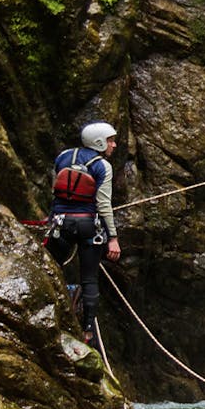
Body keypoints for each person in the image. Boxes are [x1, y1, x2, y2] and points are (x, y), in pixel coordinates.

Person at [47, 121, 122, 344]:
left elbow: (56, 190)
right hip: (89, 226)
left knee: (53, 267)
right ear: (99, 142)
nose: (114, 145)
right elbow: (103, 204)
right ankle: (88, 332)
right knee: (89, 279)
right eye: (110, 140)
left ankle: (55, 312)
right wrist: (113, 239)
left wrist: (52, 219)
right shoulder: (102, 166)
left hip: (61, 224)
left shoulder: (63, 157)